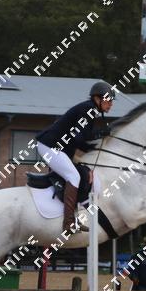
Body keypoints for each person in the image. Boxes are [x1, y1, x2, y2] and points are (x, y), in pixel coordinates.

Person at [36, 81, 114, 233]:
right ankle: (68, 223)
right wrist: (100, 133)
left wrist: (91, 146)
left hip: (58, 148)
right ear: (97, 99)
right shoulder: (88, 109)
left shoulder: (91, 110)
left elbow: (79, 139)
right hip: (50, 146)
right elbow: (79, 137)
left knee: (79, 176)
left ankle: (74, 218)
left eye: (111, 100)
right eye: (108, 100)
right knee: (74, 177)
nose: (111, 104)